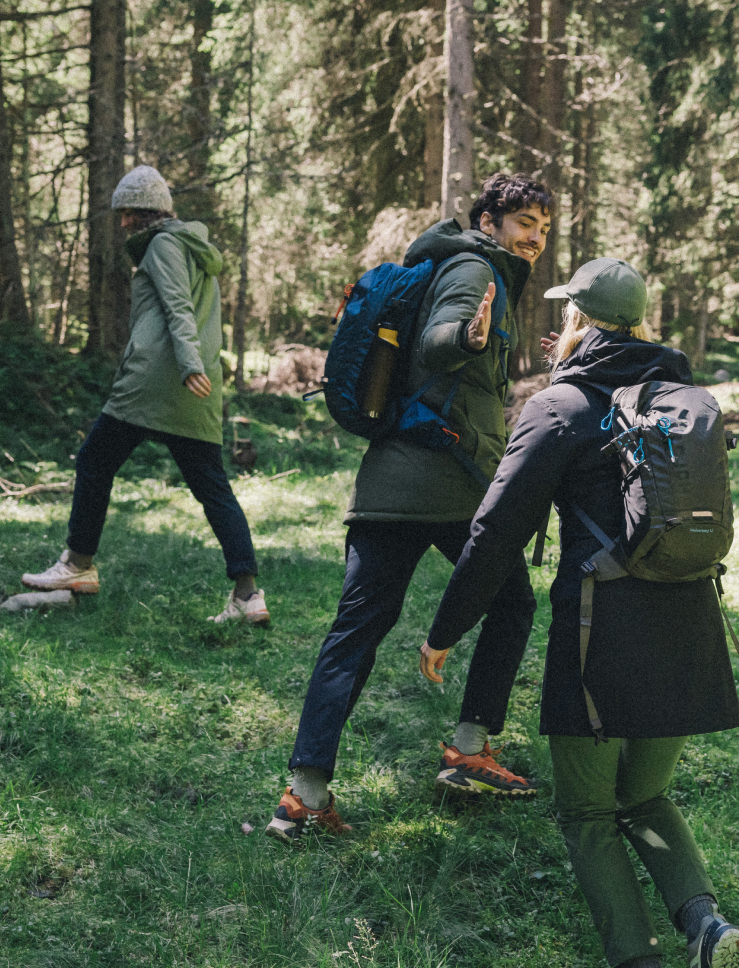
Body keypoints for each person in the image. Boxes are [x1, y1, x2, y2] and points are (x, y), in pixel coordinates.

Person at [418, 258, 739, 968]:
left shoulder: (559, 408)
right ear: (639, 322)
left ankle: (639, 959)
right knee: (647, 795)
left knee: (589, 812)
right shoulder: (684, 395)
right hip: (688, 620)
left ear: (578, 319)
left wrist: (445, 631)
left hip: (599, 633)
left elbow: (494, 531)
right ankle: (707, 927)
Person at [266, 173, 552, 842]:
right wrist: (470, 339)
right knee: (511, 603)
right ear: (489, 222)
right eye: (523, 225)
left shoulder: (462, 264)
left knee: (354, 634)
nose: (534, 238)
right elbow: (439, 342)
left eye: (542, 227)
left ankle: (303, 797)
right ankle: (470, 747)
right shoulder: (475, 269)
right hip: (445, 483)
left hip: (389, 487)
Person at [20, 165, 267, 626]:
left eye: (126, 213)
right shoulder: (197, 250)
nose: (121, 224)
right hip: (197, 388)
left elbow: (176, 306)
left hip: (157, 379)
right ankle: (248, 595)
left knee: (95, 461)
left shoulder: (164, 245)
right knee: (213, 487)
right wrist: (199, 367)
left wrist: (189, 363)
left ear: (143, 214)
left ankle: (77, 566)